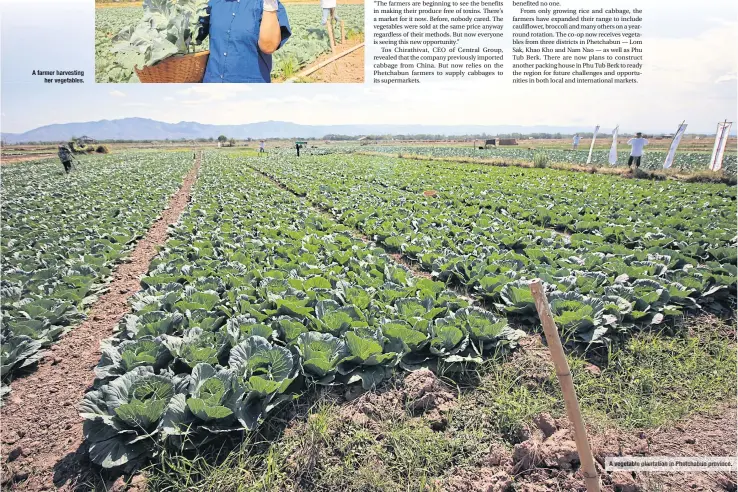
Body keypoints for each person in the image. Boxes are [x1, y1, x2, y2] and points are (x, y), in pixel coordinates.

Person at [197, 0, 291, 83]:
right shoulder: (215, 3)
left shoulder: (267, 4)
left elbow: (268, 47)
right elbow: (194, 35)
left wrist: (269, 5)